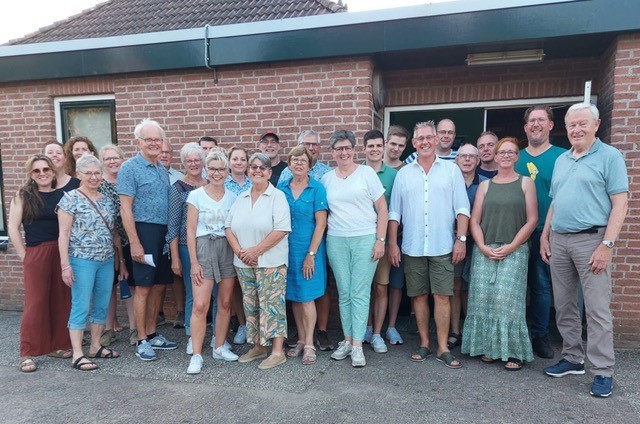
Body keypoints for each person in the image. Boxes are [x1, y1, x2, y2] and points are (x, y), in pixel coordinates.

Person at [541, 103, 628, 398]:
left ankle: (603, 371)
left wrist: (607, 245)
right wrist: (546, 235)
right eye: (572, 125)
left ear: (596, 125)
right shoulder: (563, 159)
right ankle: (572, 358)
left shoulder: (610, 156)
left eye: (582, 124)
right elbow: (555, 201)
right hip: (560, 240)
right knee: (564, 304)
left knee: (597, 309)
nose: (576, 130)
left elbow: (620, 203)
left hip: (592, 240)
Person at [388, 121, 469, 369]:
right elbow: (394, 213)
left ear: (436, 140)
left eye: (429, 137)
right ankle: (424, 343)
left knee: (443, 296)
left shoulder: (451, 171)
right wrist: (392, 243)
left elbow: (462, 208)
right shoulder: (404, 174)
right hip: (412, 247)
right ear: (414, 143)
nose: (425, 142)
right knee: (418, 296)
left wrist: (461, 240)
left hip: (443, 246)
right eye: (420, 138)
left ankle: (443, 347)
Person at [461, 137, 538, 371]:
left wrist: (513, 246)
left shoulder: (526, 183)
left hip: (515, 249)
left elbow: (532, 220)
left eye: (510, 152)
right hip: (485, 249)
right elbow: (474, 220)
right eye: (501, 152)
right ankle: (488, 348)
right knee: (483, 300)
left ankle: (514, 352)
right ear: (495, 156)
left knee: (508, 302)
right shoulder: (485, 186)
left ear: (517, 156)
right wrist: (482, 246)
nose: (505, 155)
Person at [321, 130, 388, 367]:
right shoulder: (327, 179)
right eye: (339, 149)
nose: (344, 152)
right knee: (345, 292)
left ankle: (358, 345)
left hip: (365, 239)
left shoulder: (366, 173)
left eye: (347, 148)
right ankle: (347, 340)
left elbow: (383, 209)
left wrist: (380, 240)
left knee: (359, 292)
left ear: (354, 149)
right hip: (337, 240)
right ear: (333, 152)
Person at [58, 154, 126, 371]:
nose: (94, 177)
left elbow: (114, 233)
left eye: (97, 173)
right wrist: (65, 265)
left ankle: (95, 346)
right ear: (79, 174)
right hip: (81, 260)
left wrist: (120, 260)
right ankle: (77, 353)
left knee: (102, 304)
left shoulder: (106, 200)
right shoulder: (70, 199)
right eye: (88, 173)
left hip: (106, 259)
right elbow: (63, 235)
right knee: (80, 305)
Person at [118, 119, 178, 361]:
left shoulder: (161, 169)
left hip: (162, 233)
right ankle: (141, 339)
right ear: (138, 142)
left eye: (157, 139)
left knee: (160, 284)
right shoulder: (129, 168)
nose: (154, 143)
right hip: (143, 232)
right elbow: (125, 208)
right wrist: (134, 242)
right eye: (149, 139)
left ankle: (152, 333)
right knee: (143, 287)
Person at [225, 152, 291, 370]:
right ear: (248, 171)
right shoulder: (242, 197)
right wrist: (239, 251)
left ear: (270, 173)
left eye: (262, 168)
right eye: (253, 167)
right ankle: (258, 346)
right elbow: (228, 227)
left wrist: (255, 251)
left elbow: (281, 229)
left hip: (271, 262)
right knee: (251, 305)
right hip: (243, 263)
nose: (257, 171)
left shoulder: (277, 197)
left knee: (272, 306)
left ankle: (278, 351)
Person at [8, 155, 72, 373]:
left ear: (53, 172)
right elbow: (13, 228)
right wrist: (24, 255)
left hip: (61, 252)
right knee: (36, 303)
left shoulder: (63, 195)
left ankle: (57, 345)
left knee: (61, 300)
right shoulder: (23, 195)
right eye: (37, 171)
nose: (42, 173)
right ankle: (27, 352)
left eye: (46, 169)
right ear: (31, 174)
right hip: (36, 253)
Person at [515, 105, 566, 359]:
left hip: (545, 232)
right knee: (513, 285)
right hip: (515, 232)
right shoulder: (515, 157)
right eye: (531, 121)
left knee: (541, 286)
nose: (536, 124)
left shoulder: (562, 157)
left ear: (550, 125)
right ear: (525, 128)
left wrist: (549, 232)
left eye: (541, 120)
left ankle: (540, 335)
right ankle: (514, 334)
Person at [277, 130, 334, 352]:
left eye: (303, 160)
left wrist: (311, 254)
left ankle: (310, 343)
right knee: (294, 296)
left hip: (310, 250)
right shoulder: (281, 188)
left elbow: (321, 224)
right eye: (295, 160)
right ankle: (300, 340)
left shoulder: (317, 188)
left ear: (309, 164)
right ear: (289, 164)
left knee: (307, 297)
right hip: (287, 250)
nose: (299, 164)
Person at [186, 150, 240, 374]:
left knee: (225, 302)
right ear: (206, 170)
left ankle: (219, 346)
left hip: (226, 248)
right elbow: (190, 231)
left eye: (221, 169)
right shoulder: (196, 196)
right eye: (213, 169)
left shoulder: (233, 197)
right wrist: (194, 262)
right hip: (204, 248)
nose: (217, 173)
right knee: (200, 305)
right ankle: (197, 354)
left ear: (227, 171)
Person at [167, 143, 208, 353]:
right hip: (186, 246)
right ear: (183, 163)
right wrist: (175, 257)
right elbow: (173, 225)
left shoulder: (211, 184)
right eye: (189, 161)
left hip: (210, 246)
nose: (194, 164)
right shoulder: (177, 189)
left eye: (197, 160)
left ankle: (216, 336)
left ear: (203, 162)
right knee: (193, 292)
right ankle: (192, 336)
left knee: (215, 292)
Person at [447, 144, 487, 350]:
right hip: (454, 241)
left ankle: (472, 332)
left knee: (473, 288)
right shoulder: (448, 182)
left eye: (472, 156)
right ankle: (455, 331)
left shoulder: (486, 184)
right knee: (455, 286)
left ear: (478, 161)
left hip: (479, 243)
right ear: (456, 160)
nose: (468, 160)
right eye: (463, 156)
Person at [361, 130, 397, 354]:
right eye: (370, 146)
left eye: (378, 145)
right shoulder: (357, 172)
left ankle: (377, 333)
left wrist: (389, 241)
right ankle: (364, 329)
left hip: (382, 239)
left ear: (383, 147)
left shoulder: (393, 175)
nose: (374, 150)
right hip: (360, 239)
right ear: (364, 148)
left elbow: (395, 210)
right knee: (362, 288)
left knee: (381, 287)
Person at [98, 144, 137, 348]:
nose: (112, 161)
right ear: (102, 162)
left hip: (130, 238)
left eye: (116, 157)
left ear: (123, 159)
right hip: (107, 241)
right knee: (109, 285)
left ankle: (134, 328)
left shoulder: (128, 180)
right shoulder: (98, 184)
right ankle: (108, 329)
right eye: (107, 158)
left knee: (131, 283)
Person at [382, 125, 411, 345]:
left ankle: (391, 326)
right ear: (385, 143)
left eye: (401, 145)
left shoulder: (407, 171)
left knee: (396, 283)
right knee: (375, 284)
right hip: (373, 236)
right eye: (393, 143)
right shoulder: (370, 167)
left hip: (399, 236)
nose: (396, 148)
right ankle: (371, 326)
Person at [223, 146, 250, 344]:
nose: (239, 162)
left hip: (251, 242)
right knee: (234, 288)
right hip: (229, 241)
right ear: (229, 162)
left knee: (251, 287)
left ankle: (255, 325)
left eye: (242, 159)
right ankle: (242, 324)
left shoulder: (255, 181)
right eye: (235, 159)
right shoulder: (222, 183)